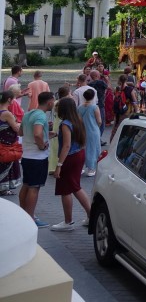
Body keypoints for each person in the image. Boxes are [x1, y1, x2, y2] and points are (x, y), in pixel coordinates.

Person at [52, 96, 92, 230]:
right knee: (75, 186)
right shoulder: (77, 120)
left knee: (66, 189)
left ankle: (68, 221)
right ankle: (90, 215)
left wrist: (59, 165)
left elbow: (67, 145)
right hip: (79, 154)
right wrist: (57, 135)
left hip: (69, 157)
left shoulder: (65, 124)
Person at [19, 92, 54, 227]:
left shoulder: (28, 114)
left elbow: (21, 132)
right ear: (49, 102)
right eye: (53, 101)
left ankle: (23, 214)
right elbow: (37, 134)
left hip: (26, 156)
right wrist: (42, 145)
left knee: (26, 185)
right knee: (34, 188)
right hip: (37, 157)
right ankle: (30, 218)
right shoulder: (40, 115)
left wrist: (46, 133)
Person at [0, 91, 22, 195]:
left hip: (2, 142)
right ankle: (3, 188)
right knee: (7, 164)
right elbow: (16, 128)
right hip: (7, 144)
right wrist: (20, 124)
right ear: (9, 99)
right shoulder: (7, 113)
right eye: (13, 99)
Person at [76, 89, 101, 177]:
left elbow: (79, 120)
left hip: (83, 130)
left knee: (82, 149)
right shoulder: (95, 107)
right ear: (93, 96)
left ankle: (80, 168)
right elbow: (99, 121)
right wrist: (97, 126)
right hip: (93, 130)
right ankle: (91, 168)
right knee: (93, 149)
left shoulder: (79, 107)